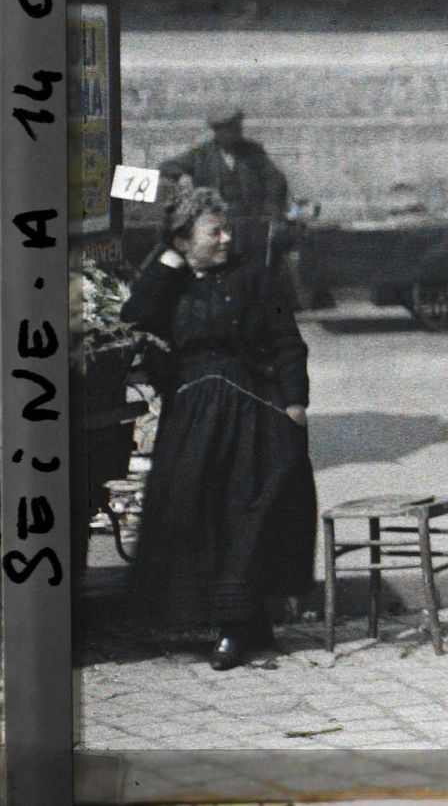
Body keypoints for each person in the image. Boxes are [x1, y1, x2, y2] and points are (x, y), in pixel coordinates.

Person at [120, 187, 318, 670]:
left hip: (252, 405)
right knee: (193, 510)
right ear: (183, 240)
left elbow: (288, 342)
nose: (227, 239)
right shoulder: (168, 280)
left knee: (246, 512)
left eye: (227, 229)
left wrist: (294, 403)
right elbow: (136, 317)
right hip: (191, 411)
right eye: (215, 232)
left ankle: (238, 627)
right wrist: (169, 263)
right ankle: (231, 619)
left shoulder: (254, 277)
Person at [159, 108, 291, 267]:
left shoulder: (252, 151)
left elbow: (275, 179)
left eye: (237, 128)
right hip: (215, 219)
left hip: (249, 219)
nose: (236, 133)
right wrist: (182, 176)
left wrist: (272, 206)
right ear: (217, 131)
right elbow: (167, 166)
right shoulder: (201, 153)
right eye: (230, 129)